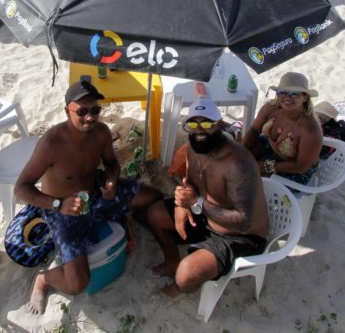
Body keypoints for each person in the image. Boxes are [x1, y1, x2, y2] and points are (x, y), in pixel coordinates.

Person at [15, 81, 162, 314]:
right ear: (67, 111)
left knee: (154, 196)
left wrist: (112, 181)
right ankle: (44, 279)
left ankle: (128, 219)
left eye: (95, 110)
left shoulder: (101, 132)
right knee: (76, 284)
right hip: (63, 211)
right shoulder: (51, 143)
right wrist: (58, 204)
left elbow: (112, 164)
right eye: (81, 111)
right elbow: (21, 188)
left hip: (97, 193)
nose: (89, 117)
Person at [145, 98, 269, 297]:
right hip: (207, 216)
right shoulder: (193, 148)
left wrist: (197, 203)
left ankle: (179, 286)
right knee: (155, 214)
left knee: (185, 275)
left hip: (240, 236)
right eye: (193, 124)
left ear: (219, 125)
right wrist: (182, 203)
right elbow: (191, 183)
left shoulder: (237, 163)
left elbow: (243, 223)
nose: (199, 130)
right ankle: (171, 261)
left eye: (207, 123)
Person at [243, 72, 323, 185]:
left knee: (253, 180)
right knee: (237, 162)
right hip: (270, 150)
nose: (287, 97)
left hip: (294, 168)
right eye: (282, 92)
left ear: (305, 97)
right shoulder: (270, 108)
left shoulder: (310, 130)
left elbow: (300, 166)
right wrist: (241, 151)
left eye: (294, 93)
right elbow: (254, 131)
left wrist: (266, 167)